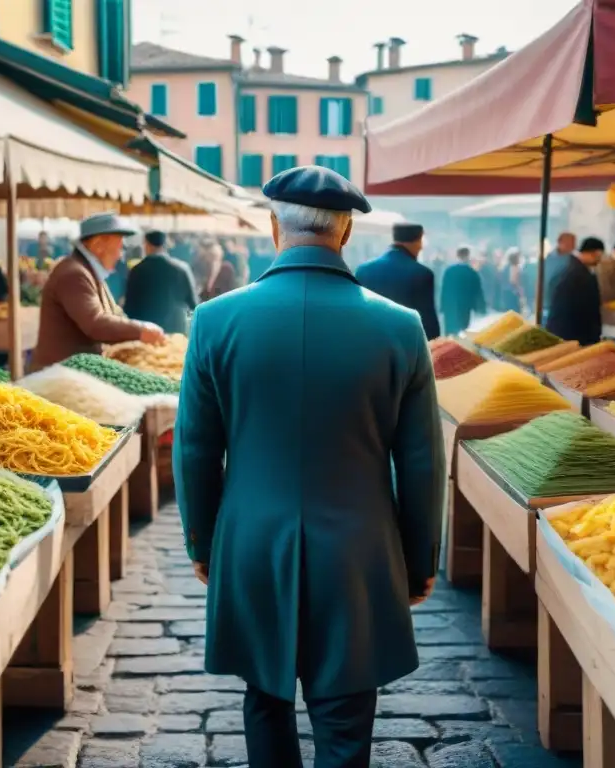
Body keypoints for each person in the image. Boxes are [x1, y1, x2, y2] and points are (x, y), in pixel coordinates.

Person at [174, 165, 444, 768]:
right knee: (347, 714)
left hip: (250, 540)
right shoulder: (402, 328)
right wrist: (420, 559)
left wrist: (202, 542)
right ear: (345, 232)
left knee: (265, 698)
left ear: (274, 228)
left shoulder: (215, 321)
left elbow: (193, 446)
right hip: (359, 547)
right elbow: (422, 460)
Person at [30, 213, 164, 372]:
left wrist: (138, 333)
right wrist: (140, 330)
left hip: (74, 373)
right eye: (119, 246)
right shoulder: (74, 274)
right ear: (99, 245)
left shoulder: (89, 272)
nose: (120, 254)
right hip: (58, 376)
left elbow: (115, 314)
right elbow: (96, 323)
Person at [355, 222, 441, 340]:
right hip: (407, 345)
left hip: (371, 342)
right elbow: (428, 320)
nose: (421, 247)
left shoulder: (363, 270)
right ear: (417, 240)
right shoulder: (422, 273)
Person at [123, 230, 198, 335]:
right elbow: (193, 303)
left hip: (147, 332)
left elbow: (129, 307)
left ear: (147, 244)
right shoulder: (182, 269)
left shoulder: (137, 270)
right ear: (165, 245)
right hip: (176, 331)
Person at [546, 236, 605, 346]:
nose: (599, 261)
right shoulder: (583, 276)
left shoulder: (565, 267)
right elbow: (589, 311)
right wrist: (593, 338)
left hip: (558, 332)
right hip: (574, 336)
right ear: (593, 253)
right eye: (599, 256)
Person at [440, 246, 486, 334]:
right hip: (465, 305)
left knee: (450, 330)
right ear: (468, 256)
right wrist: (480, 307)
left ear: (457, 255)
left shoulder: (449, 270)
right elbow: (478, 291)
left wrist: (442, 306)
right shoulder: (472, 272)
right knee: (463, 329)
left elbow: (444, 289)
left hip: (450, 305)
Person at [544, 232, 577, 313]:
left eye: (573, 244)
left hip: (567, 302)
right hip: (549, 301)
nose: (573, 246)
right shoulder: (549, 259)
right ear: (559, 242)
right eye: (569, 243)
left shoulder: (574, 260)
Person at [497, 247, 526, 314]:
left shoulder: (505, 266)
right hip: (513, 293)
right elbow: (513, 280)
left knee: (509, 312)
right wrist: (520, 290)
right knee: (515, 312)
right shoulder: (514, 267)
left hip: (505, 292)